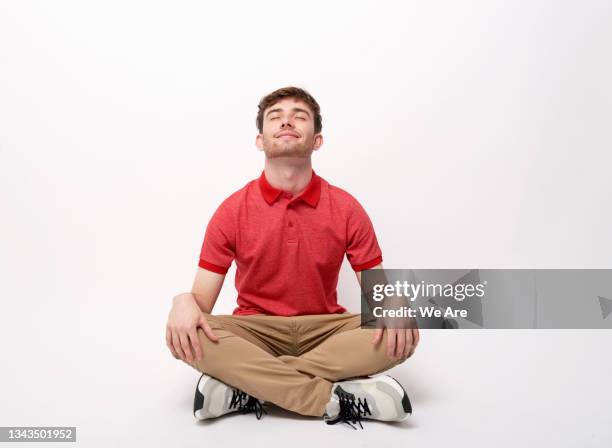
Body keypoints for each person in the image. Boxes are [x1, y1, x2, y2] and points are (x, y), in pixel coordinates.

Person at [165, 86, 420, 429]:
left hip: (325, 329)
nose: (287, 121)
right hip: (256, 330)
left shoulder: (346, 208)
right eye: (276, 116)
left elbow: (380, 298)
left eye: (299, 116)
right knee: (190, 334)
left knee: (402, 329)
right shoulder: (231, 211)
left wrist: (395, 302)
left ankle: (248, 386)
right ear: (260, 140)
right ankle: (335, 400)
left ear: (317, 140)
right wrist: (183, 301)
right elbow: (201, 305)